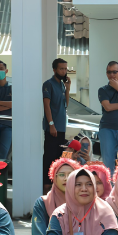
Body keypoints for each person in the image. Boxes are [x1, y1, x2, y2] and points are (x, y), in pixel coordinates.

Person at [19, 149, 80, 235]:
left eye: (70, 174)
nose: (66, 178)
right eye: (61, 175)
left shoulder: (82, 201)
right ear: (54, 177)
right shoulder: (43, 203)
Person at [43, 58, 71, 191]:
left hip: (61, 127)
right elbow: (46, 106)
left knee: (59, 157)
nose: (64, 71)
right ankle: (46, 184)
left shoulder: (61, 84)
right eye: (61, 69)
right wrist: (51, 124)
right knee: (49, 156)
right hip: (52, 128)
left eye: (65, 69)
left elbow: (66, 104)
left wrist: (68, 88)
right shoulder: (48, 84)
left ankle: (56, 184)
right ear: (54, 69)